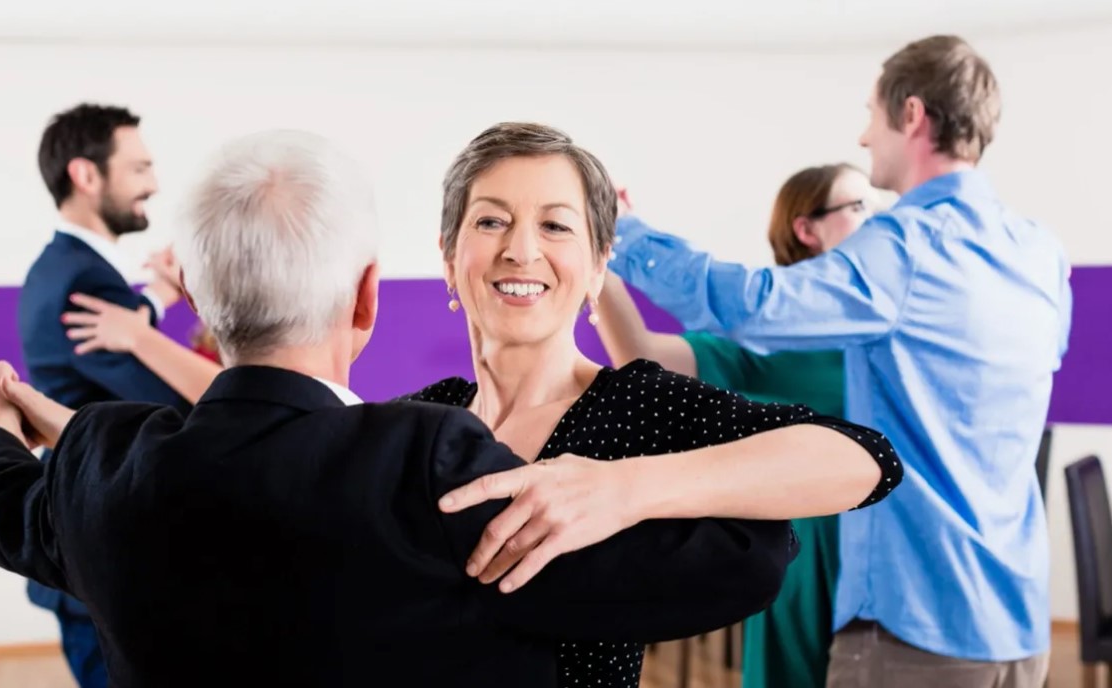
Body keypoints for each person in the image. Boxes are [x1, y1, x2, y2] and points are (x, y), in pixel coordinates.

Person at [0, 129, 807, 688]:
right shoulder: (430, 460)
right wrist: (631, 490)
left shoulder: (104, 467)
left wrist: (10, 425)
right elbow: (744, 559)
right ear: (370, 297)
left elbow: (0, 500)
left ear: (197, 303)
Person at [607, 35, 1071, 688]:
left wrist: (623, 233)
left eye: (870, 114)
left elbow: (749, 304)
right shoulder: (1037, 251)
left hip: (918, 623)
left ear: (910, 115)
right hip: (1018, 625)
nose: (862, 137)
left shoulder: (906, 246)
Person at [402, 121, 902, 687]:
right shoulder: (417, 421)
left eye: (555, 225)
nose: (521, 250)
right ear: (448, 257)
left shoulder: (634, 405)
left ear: (597, 268)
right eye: (491, 221)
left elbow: (865, 460)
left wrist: (624, 490)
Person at [596, 163, 874, 688]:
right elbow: (643, 357)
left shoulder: (886, 329)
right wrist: (599, 266)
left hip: (891, 575)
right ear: (806, 229)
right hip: (808, 574)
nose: (876, 222)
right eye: (858, 208)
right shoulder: (772, 338)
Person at [16, 102, 188, 688]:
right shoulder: (83, 282)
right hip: (100, 540)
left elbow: (120, 331)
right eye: (139, 168)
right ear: (87, 176)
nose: (153, 183)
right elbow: (171, 404)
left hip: (84, 526)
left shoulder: (61, 268)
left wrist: (156, 301)